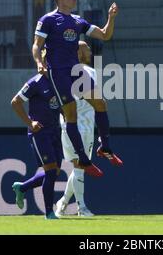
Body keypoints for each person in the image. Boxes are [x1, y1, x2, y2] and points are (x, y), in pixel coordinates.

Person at [32, 0, 123, 178]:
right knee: (71, 115)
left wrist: (111, 17)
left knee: (100, 103)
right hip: (58, 72)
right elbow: (36, 45)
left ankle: (105, 148)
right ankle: (83, 158)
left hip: (76, 71)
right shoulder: (48, 20)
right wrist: (39, 62)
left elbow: (105, 35)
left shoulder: (77, 20)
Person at [10, 50, 63, 220]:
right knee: (49, 171)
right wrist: (30, 123)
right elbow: (15, 102)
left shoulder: (59, 83)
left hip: (55, 131)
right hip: (40, 132)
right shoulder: (35, 83)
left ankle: (22, 187)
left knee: (55, 172)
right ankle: (49, 212)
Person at [56, 41, 96, 217]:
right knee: (79, 166)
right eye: (86, 47)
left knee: (78, 167)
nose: (90, 50)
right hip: (77, 125)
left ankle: (63, 204)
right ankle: (82, 208)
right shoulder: (75, 72)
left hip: (82, 125)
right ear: (78, 52)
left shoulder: (89, 71)